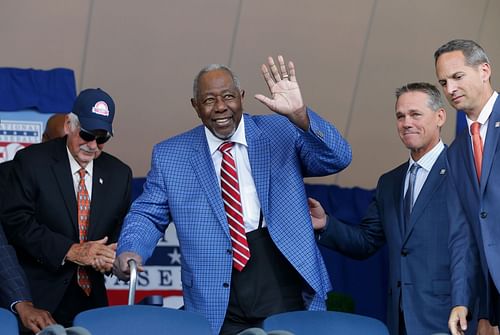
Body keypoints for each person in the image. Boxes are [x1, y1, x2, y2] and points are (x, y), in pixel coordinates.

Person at [113, 55, 352, 334]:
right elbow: (148, 214)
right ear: (195, 106)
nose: (221, 107)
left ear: (242, 96)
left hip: (281, 274)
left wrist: (300, 115)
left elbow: (337, 159)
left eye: (228, 96)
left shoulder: (280, 130)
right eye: (209, 100)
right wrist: (131, 248)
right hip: (215, 293)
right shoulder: (171, 156)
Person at [309, 82, 478, 335]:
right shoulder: (390, 182)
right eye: (400, 116)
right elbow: (366, 241)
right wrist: (326, 224)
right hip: (399, 320)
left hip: (452, 317)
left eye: (415, 114)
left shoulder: (464, 170)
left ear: (440, 117)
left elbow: (478, 248)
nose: (406, 122)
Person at [1, 88, 132, 329]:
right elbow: (17, 223)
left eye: (102, 138)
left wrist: (110, 259)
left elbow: (117, 233)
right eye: (86, 134)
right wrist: (71, 251)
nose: (92, 145)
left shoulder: (119, 174)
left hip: (91, 303)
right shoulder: (32, 162)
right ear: (69, 125)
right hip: (38, 298)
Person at [434, 39, 500, 335]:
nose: (449, 89)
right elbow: (463, 234)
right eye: (443, 82)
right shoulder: (456, 150)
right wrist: (463, 302)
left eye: (457, 77)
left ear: (484, 70)